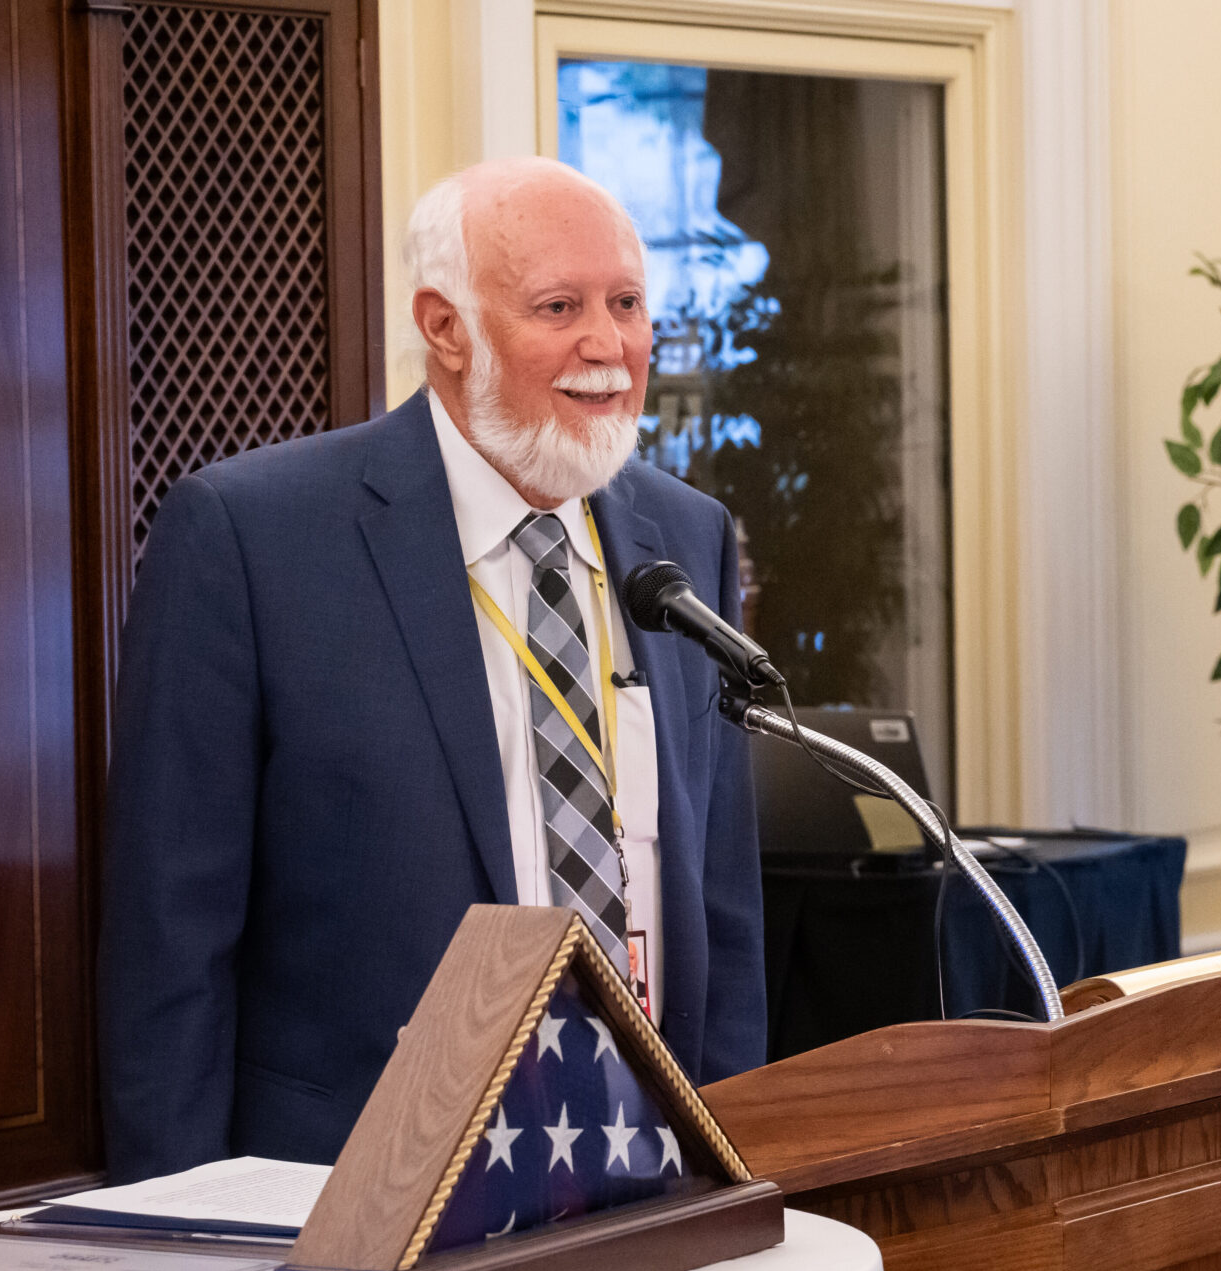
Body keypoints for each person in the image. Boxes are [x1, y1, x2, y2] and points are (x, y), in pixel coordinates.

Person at [98, 158, 764, 1182]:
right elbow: (169, 945)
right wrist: (181, 1234)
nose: (609, 346)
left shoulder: (687, 540)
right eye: (560, 306)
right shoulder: (250, 537)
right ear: (445, 327)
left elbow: (720, 905)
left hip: (646, 1186)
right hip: (345, 1194)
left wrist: (730, 1179)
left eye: (627, 303)